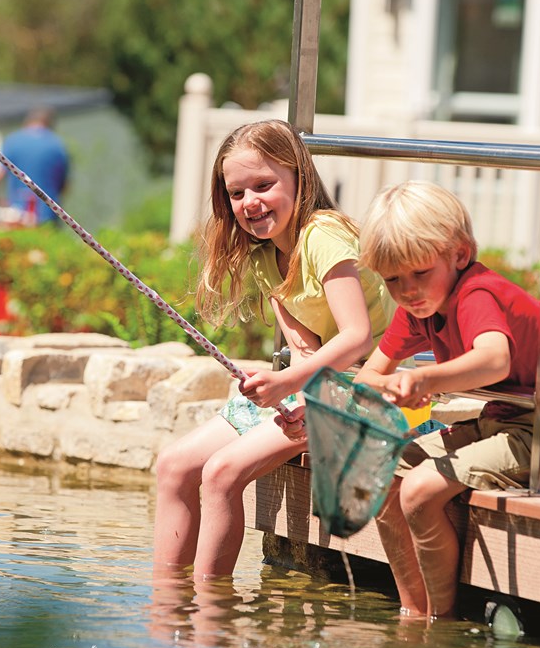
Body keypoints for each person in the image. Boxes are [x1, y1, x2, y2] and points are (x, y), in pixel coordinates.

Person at [348, 180, 540, 620]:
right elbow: (372, 372)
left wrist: (425, 378)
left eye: (419, 273)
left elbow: (494, 360)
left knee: (420, 489)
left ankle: (440, 622)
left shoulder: (476, 294)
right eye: (392, 280)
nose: (408, 290)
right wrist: (383, 387)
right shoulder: (419, 307)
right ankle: (414, 609)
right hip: (507, 422)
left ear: (460, 255)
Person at [152, 119, 395, 581]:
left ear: (298, 178)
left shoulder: (323, 236)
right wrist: (291, 393)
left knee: (221, 474)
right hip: (319, 389)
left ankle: (209, 617)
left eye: (263, 185)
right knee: (173, 466)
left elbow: (357, 336)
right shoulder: (266, 255)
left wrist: (288, 383)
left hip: (369, 388)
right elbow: (304, 349)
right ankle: (167, 606)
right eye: (236, 194)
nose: (250, 203)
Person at [0, 107, 69, 227]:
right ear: (49, 123)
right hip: (46, 216)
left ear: (27, 122)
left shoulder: (12, 141)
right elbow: (64, 187)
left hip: (16, 215)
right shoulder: (57, 145)